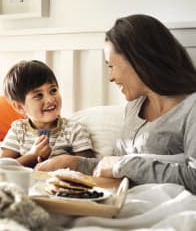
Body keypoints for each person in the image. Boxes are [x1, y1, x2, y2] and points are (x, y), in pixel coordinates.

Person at [35, 14, 196, 194]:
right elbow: (114, 167)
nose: (110, 77)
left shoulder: (191, 108)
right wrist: (73, 163)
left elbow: (193, 178)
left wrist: (125, 164)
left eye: (111, 66)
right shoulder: (135, 105)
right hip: (117, 199)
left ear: (139, 61)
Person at [1, 60, 95, 167]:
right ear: (20, 107)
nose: (50, 100)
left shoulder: (74, 129)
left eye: (53, 90)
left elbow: (89, 166)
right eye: (39, 95)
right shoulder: (18, 130)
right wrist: (32, 155)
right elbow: (2, 167)